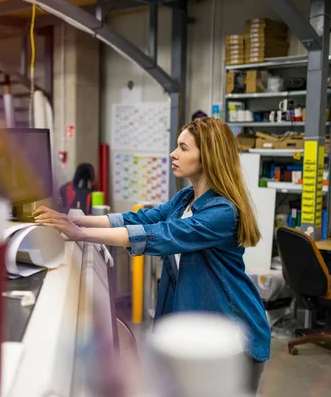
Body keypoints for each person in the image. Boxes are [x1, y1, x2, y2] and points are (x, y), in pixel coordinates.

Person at [33, 117, 271, 395]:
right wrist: (75, 220)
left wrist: (79, 233)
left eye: (183, 148)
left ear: (207, 157)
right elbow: (141, 218)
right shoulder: (185, 199)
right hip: (193, 328)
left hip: (232, 335)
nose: (174, 153)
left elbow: (162, 234)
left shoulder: (222, 213)